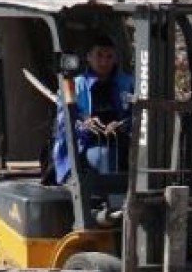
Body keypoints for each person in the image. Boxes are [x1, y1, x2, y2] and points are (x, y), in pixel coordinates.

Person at [51, 36, 135, 184]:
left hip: (121, 141)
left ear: (115, 59)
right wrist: (84, 124)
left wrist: (123, 124)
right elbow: (63, 122)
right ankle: (112, 201)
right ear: (89, 57)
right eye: (99, 55)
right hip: (85, 145)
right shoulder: (74, 85)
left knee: (145, 157)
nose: (104, 62)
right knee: (104, 154)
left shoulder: (129, 83)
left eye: (109, 57)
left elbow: (138, 114)